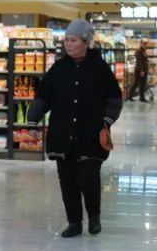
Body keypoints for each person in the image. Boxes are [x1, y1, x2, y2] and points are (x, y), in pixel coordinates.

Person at [28, 19, 123, 238]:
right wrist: (33, 121)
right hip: (62, 135)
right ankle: (74, 222)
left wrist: (107, 121)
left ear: (86, 42)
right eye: (66, 40)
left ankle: (94, 217)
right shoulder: (59, 68)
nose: (68, 44)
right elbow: (43, 96)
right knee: (67, 181)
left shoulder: (100, 69)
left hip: (91, 135)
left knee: (89, 179)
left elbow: (114, 99)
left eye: (73, 40)